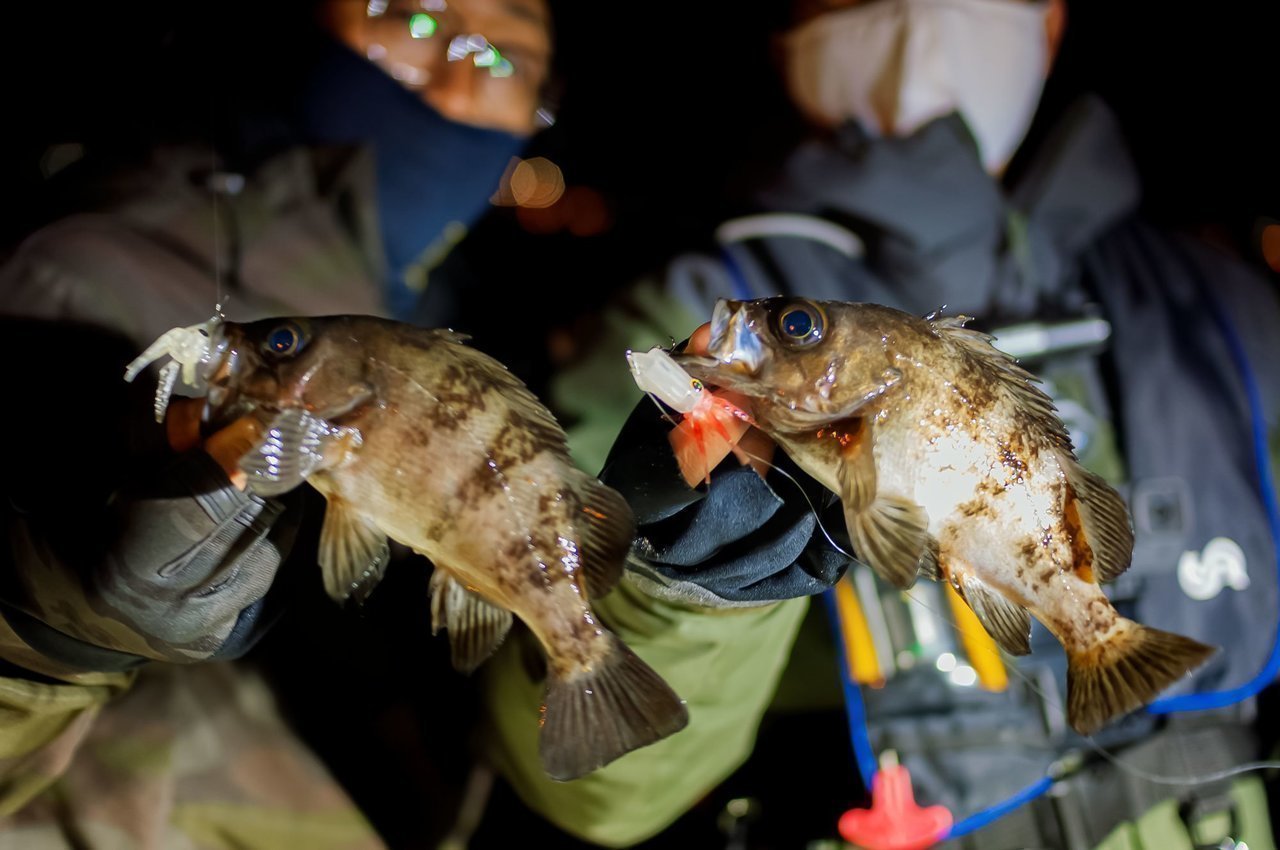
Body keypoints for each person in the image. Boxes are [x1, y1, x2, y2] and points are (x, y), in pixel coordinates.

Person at [484, 0, 1280, 847]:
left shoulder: (1224, 303)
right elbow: (595, 795)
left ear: (1050, 22)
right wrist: (679, 585)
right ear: (785, 34)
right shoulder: (672, 322)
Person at [0, 0, 559, 845]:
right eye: (409, 20)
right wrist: (52, 620)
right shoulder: (89, 267)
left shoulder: (458, 308)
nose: (455, 72)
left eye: (504, 58)